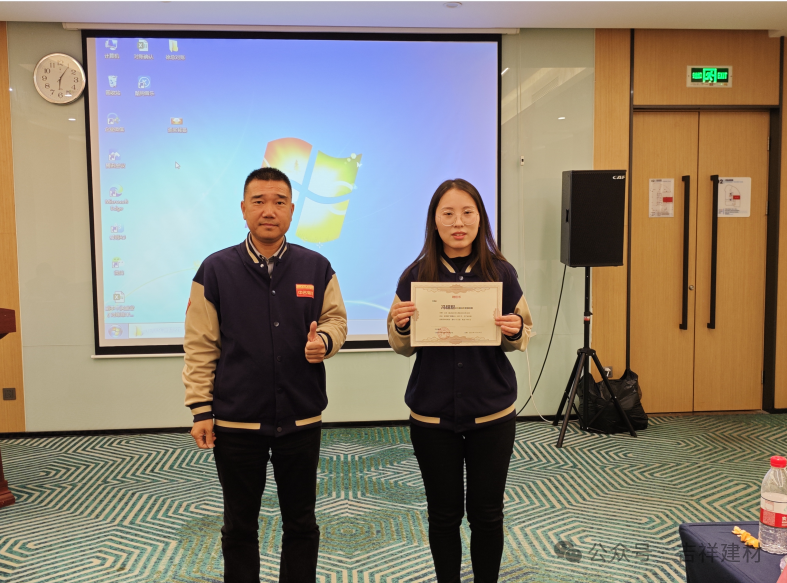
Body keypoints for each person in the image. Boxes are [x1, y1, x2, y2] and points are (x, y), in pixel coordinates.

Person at [183, 167, 347, 583]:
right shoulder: (215, 270)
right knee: (239, 525)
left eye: (279, 202)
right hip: (237, 421)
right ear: (243, 209)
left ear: (292, 210)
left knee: (301, 522)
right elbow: (201, 344)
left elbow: (336, 320)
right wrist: (201, 409)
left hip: (301, 417)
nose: (268, 211)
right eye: (259, 202)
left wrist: (324, 341)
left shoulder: (317, 267)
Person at [387, 179, 533, 583]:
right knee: (443, 514)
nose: (458, 222)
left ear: (480, 219)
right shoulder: (415, 275)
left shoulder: (501, 272)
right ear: (434, 221)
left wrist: (514, 328)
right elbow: (400, 345)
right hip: (432, 416)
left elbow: (522, 334)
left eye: (468, 213)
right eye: (448, 213)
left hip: (492, 414)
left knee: (487, 514)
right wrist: (402, 326)